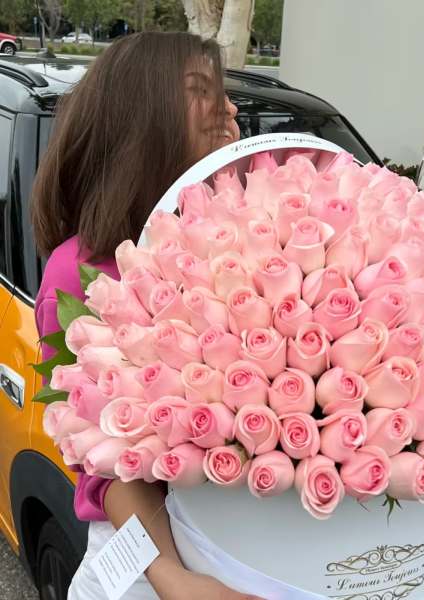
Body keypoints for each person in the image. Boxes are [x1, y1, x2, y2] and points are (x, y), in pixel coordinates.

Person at [31, 31, 262, 600]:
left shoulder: (248, 241)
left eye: (224, 93)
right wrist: (172, 578)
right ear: (142, 114)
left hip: (260, 550)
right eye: (201, 90)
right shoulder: (82, 271)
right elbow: (103, 464)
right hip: (147, 564)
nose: (229, 109)